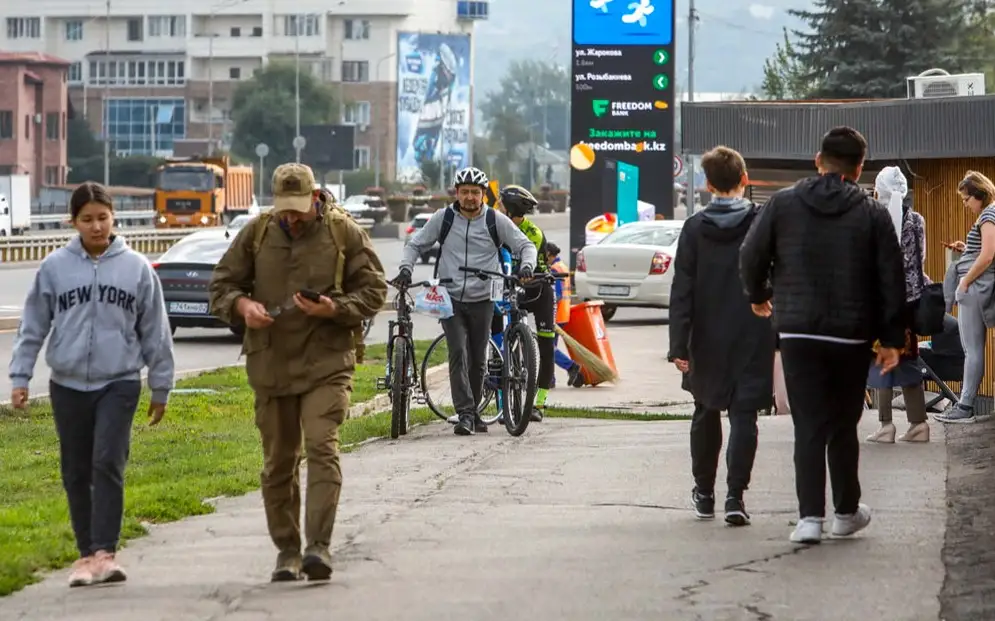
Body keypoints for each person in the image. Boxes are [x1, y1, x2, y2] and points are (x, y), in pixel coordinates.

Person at [209, 163, 387, 581]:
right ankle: (287, 550)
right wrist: (242, 306)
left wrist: (335, 309)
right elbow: (221, 285)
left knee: (323, 449)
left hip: (328, 361)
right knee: (278, 463)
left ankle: (318, 549)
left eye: (299, 209)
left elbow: (375, 289)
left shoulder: (344, 232)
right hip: (271, 364)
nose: (291, 217)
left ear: (315, 198)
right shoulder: (257, 233)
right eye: (284, 209)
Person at [740, 126, 907, 544]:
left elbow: (750, 253)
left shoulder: (782, 204)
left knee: (808, 423)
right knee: (843, 424)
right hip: (850, 336)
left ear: (818, 160)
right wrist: (890, 339)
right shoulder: (872, 214)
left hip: (797, 331)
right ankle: (846, 512)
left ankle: (809, 518)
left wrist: (759, 295)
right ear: (860, 168)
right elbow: (891, 277)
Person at [8, 181, 175, 588]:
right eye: (87, 219)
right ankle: (85, 556)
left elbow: (155, 329)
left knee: (107, 461)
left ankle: (106, 552)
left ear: (113, 218)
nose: (96, 227)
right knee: (76, 469)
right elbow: (32, 326)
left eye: (103, 218)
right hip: (67, 384)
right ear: (73, 221)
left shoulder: (135, 268)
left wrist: (160, 384)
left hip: (118, 381)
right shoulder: (54, 268)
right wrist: (20, 376)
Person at [667, 146, 774, 527]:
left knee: (705, 409)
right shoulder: (761, 222)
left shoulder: (695, 228)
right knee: (744, 415)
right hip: (753, 332)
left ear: (707, 184)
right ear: (745, 180)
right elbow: (775, 277)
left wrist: (678, 344)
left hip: (705, 336)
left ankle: (705, 493)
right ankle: (735, 496)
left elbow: (682, 288)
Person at [396, 167, 536, 435]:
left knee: (478, 358)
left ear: (484, 195)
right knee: (458, 351)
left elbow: (525, 245)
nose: (470, 197)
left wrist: (527, 266)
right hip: (450, 298)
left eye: (475, 192)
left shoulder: (496, 220)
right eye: (465, 192)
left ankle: (472, 413)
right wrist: (406, 268)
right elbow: (415, 244)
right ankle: (465, 414)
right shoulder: (444, 218)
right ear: (456, 194)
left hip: (483, 298)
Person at [865, 167, 931, 443]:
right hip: (909, 303)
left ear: (880, 189)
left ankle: (886, 425)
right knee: (908, 357)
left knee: (881, 358)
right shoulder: (916, 220)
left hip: (882, 301)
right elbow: (921, 258)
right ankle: (918, 423)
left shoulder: (874, 218)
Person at [935, 170, 995, 424]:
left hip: (974, 290)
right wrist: (966, 248)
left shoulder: (989, 215)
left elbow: (989, 254)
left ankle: (965, 406)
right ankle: (965, 404)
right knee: (973, 348)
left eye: (967, 199)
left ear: (979, 194)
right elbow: (982, 250)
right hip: (978, 287)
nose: (965, 204)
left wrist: (965, 282)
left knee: (971, 349)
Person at [499, 185, 558, 420]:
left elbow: (529, 262)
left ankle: (540, 402)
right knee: (502, 336)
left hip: (539, 289)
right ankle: (506, 401)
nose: (498, 208)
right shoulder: (498, 227)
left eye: (501, 204)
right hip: (512, 286)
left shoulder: (532, 232)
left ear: (512, 209)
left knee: (546, 345)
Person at [546, 242, 584, 387]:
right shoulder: (562, 265)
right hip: (563, 314)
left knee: (548, 348)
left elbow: (557, 295)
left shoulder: (555, 269)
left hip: (555, 315)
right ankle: (550, 379)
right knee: (550, 348)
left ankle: (570, 366)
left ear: (549, 254)